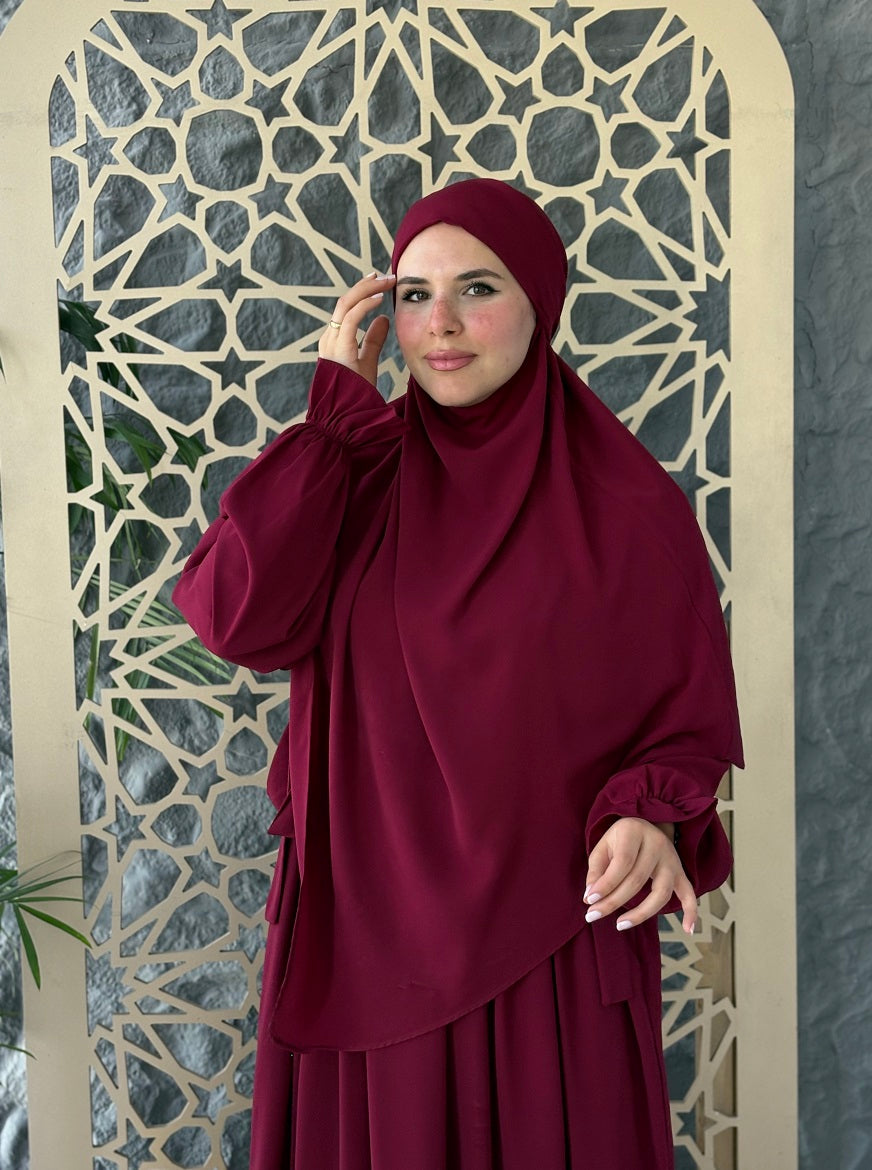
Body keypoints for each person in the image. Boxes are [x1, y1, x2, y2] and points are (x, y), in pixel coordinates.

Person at [173, 178, 743, 1170]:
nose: (437, 323)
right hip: (364, 929)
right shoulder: (355, 474)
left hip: (551, 939)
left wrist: (648, 816)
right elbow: (235, 616)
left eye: (477, 288)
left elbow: (683, 717)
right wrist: (329, 423)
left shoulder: (626, 507)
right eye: (412, 294)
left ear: (538, 303)